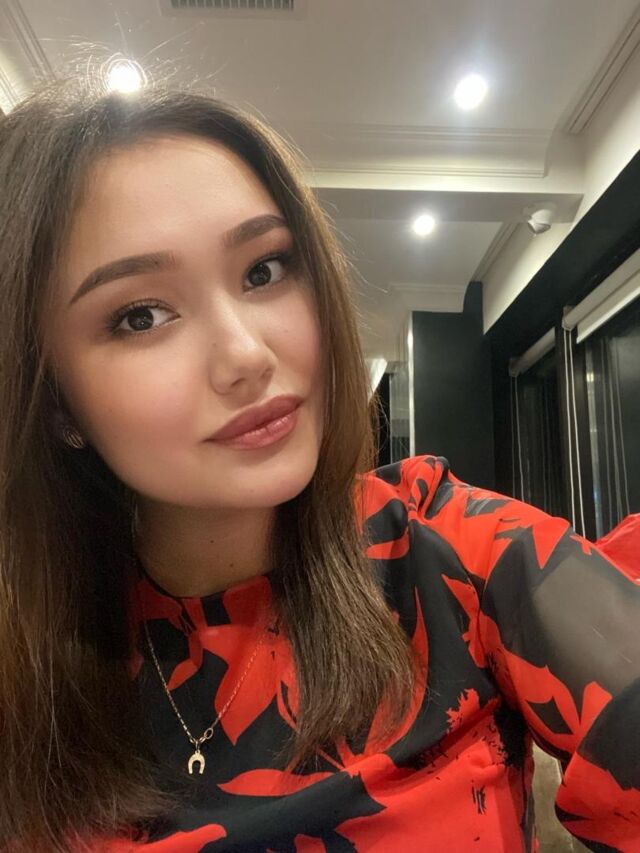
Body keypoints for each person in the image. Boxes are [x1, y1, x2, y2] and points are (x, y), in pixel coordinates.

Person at [0, 79, 637, 853]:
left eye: (264, 270)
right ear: (53, 400)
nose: (246, 354)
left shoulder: (447, 549)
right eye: (141, 315)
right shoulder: (31, 653)